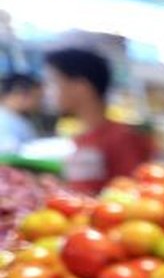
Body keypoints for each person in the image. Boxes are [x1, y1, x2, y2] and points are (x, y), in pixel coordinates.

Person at [44, 47, 153, 193]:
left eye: (53, 82)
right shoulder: (80, 139)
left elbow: (132, 197)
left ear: (80, 87)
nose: (48, 92)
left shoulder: (122, 138)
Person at [0, 73, 42, 154]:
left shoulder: (15, 116)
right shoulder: (4, 121)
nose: (38, 102)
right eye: (36, 97)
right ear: (22, 95)